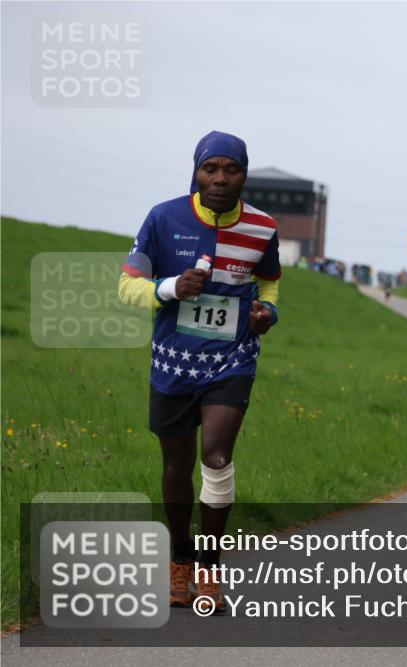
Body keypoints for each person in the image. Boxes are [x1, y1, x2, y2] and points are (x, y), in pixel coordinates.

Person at [118, 131, 281, 613]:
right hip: (173, 361)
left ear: (244, 175)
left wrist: (267, 315)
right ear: (196, 170)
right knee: (176, 466)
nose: (220, 179)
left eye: (231, 170)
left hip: (232, 360)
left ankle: (209, 568)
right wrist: (169, 288)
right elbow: (128, 288)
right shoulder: (162, 217)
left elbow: (269, 285)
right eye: (211, 168)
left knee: (215, 456)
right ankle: (180, 559)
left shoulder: (262, 228)